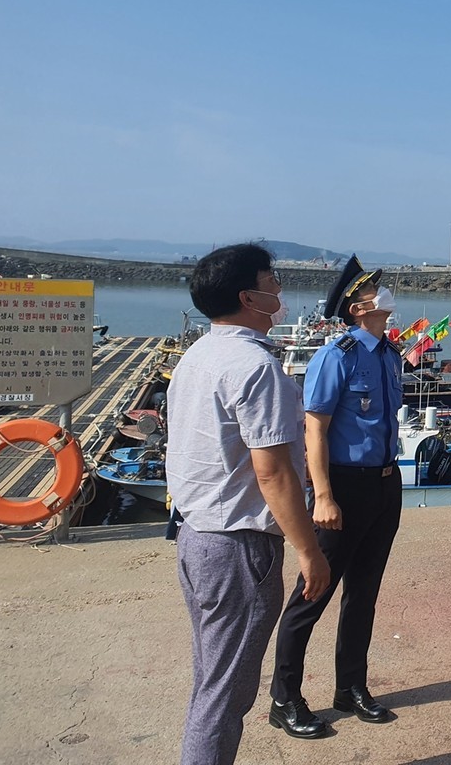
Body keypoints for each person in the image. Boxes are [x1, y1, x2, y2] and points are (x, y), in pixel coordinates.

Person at [167, 244, 331, 765]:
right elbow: (274, 470)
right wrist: (309, 550)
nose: (280, 290)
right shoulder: (256, 366)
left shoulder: (198, 355)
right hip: (239, 547)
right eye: (272, 280)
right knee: (226, 695)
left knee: (211, 678)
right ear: (250, 297)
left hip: (196, 537)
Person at [269, 255, 404, 737]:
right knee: (314, 591)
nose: (386, 299)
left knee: (364, 592)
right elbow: (316, 429)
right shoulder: (337, 354)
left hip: (386, 485)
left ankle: (350, 687)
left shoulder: (389, 355)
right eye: (376, 293)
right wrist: (322, 495)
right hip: (343, 487)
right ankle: (284, 696)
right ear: (358, 307)